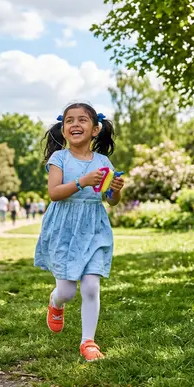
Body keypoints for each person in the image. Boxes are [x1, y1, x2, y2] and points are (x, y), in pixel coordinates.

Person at [34, 103, 125, 362]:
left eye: (82, 120)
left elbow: (111, 200)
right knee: (68, 291)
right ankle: (56, 303)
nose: (75, 124)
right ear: (63, 130)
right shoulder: (59, 158)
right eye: (69, 121)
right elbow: (54, 193)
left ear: (95, 129)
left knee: (91, 286)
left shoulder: (102, 162)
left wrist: (116, 189)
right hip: (64, 227)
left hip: (94, 227)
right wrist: (82, 182)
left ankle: (88, 342)